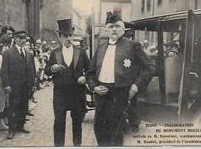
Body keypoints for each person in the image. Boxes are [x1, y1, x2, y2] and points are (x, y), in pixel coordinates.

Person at [87, 13, 155, 146]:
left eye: (117, 26)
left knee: (116, 135)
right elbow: (90, 73)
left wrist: (136, 86)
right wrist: (94, 87)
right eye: (111, 26)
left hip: (120, 95)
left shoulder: (132, 46)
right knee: (99, 131)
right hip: (101, 96)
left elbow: (150, 67)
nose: (114, 29)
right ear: (106, 30)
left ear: (123, 30)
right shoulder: (100, 48)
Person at [45, 19, 90, 146]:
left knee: (77, 123)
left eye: (70, 35)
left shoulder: (80, 52)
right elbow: (47, 70)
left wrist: (85, 78)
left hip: (77, 94)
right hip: (60, 95)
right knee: (59, 122)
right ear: (60, 37)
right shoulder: (55, 52)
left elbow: (91, 70)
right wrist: (52, 69)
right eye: (65, 36)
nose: (68, 38)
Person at [0, 31, 37, 139]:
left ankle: (20, 126)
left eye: (24, 38)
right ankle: (12, 129)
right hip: (14, 86)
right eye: (20, 38)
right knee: (13, 107)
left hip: (26, 86)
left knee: (23, 106)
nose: (22, 40)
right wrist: (7, 84)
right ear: (15, 39)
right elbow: (4, 71)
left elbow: (32, 71)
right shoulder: (8, 53)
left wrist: (33, 83)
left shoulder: (29, 54)